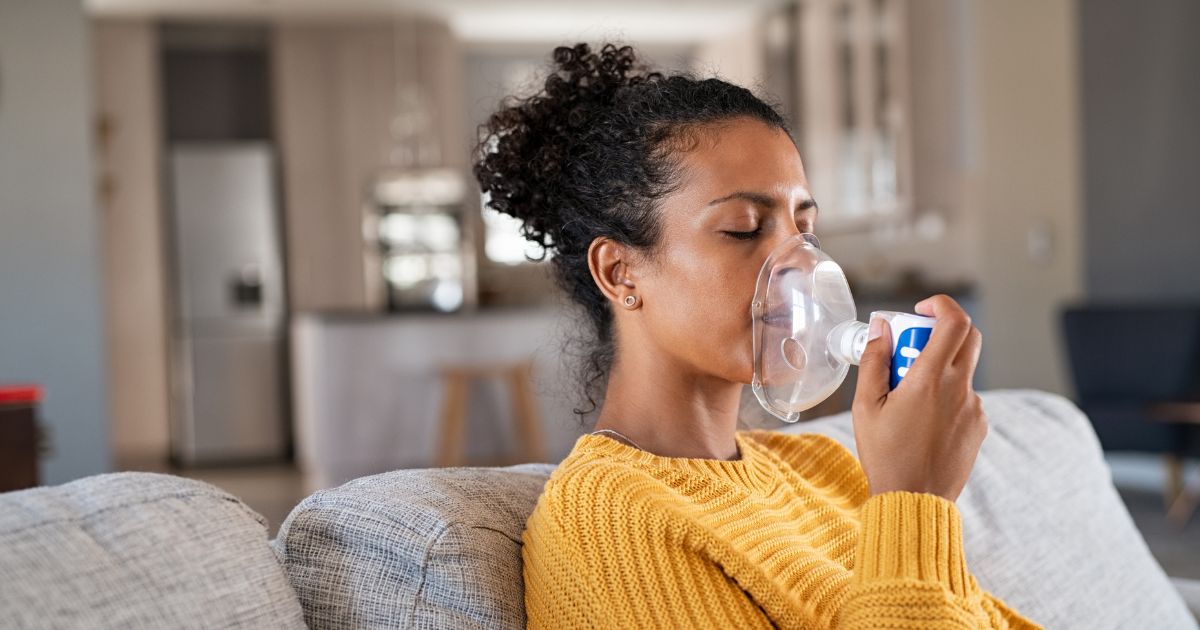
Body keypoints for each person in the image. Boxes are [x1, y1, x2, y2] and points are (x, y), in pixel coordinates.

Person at [473, 42, 1041, 629]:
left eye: (805, 228)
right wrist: (914, 502)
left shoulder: (822, 465)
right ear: (621, 272)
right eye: (744, 228)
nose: (795, 261)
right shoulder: (609, 521)